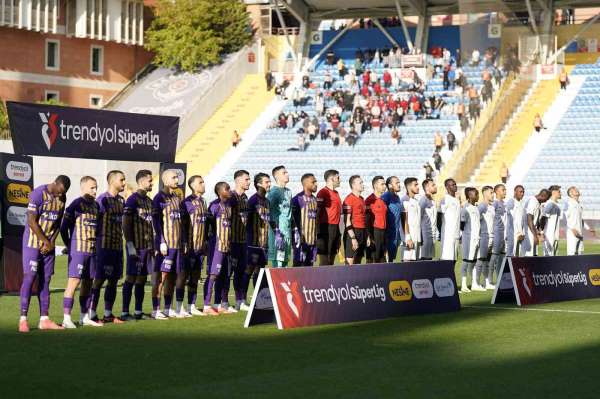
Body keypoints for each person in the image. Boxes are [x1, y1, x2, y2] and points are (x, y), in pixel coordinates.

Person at [19, 175, 70, 333]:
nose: (60, 195)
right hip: (33, 243)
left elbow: (58, 223)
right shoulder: (37, 194)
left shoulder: (62, 198)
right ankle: (23, 319)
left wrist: (52, 242)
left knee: (46, 280)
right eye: (59, 191)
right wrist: (45, 241)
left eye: (63, 193)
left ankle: (44, 319)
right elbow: (31, 221)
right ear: (55, 184)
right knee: (30, 277)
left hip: (48, 246)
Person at [61, 176, 102, 328]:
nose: (95, 190)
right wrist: (69, 245)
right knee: (74, 282)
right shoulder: (76, 204)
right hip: (78, 251)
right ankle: (66, 318)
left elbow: (98, 230)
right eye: (92, 187)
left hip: (92, 251)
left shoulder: (97, 206)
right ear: (83, 188)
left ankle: (84, 317)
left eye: (96, 187)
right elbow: (63, 227)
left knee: (88, 283)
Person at [89, 170, 126, 324]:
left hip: (117, 247)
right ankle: (91, 313)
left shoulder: (121, 201)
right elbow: (95, 224)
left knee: (113, 280)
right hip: (103, 247)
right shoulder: (101, 200)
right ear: (112, 182)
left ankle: (108, 313)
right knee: (98, 280)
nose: (124, 183)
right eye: (121, 180)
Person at [152, 170, 186, 318]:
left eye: (177, 177)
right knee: (162, 277)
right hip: (166, 245)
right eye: (173, 177)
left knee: (172, 277)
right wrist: (161, 241)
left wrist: (183, 240)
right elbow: (156, 221)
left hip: (177, 245)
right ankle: (155, 309)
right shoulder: (159, 198)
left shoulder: (177, 198)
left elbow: (181, 223)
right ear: (165, 181)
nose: (176, 179)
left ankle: (167, 307)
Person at [122, 170, 155, 320]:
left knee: (141, 279)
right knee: (130, 278)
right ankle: (124, 312)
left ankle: (138, 311)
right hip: (135, 246)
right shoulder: (132, 200)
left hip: (147, 246)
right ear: (141, 182)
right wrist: (129, 244)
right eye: (149, 181)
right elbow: (126, 223)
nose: (152, 183)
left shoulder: (149, 201)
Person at [182, 175, 210, 316]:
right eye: (200, 182)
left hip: (200, 246)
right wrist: (185, 242)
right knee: (184, 276)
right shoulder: (187, 202)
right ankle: (179, 307)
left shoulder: (203, 202)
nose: (203, 184)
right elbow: (184, 224)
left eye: (203, 182)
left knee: (195, 276)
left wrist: (205, 241)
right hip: (190, 246)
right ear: (193, 186)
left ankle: (191, 305)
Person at [206, 182, 232, 315]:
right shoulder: (214, 205)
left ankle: (217, 304)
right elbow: (208, 226)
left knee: (224, 275)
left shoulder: (229, 205)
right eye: (227, 188)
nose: (229, 190)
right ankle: (206, 305)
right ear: (219, 191)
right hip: (216, 245)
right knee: (213, 275)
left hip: (227, 246)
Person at [244, 173, 271, 297]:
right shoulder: (253, 200)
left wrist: (276, 232)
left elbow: (269, 220)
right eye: (266, 182)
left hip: (264, 243)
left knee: (260, 271)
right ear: (259, 184)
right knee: (249, 269)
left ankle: (258, 296)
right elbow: (246, 220)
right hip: (253, 242)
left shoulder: (267, 201)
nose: (269, 184)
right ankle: (241, 299)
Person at [229, 170, 250, 312]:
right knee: (230, 272)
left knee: (242, 271)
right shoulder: (231, 197)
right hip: (232, 241)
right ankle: (224, 302)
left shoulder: (245, 198)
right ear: (238, 180)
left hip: (243, 241)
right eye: (246, 179)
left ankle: (240, 300)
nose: (249, 182)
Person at [268, 165, 293, 267]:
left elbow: (289, 212)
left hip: (287, 233)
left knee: (285, 264)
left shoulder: (288, 191)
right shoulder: (274, 193)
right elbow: (268, 214)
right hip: (278, 234)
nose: (287, 174)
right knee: (278, 265)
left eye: (287, 172)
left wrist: (295, 229)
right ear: (277, 177)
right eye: (284, 173)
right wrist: (277, 232)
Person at [291, 174, 319, 266]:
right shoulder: (297, 199)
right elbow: (292, 219)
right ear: (305, 183)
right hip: (301, 242)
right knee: (299, 268)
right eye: (313, 182)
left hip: (312, 241)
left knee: (309, 269)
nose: (316, 184)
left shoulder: (315, 200)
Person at [316, 170, 342, 266]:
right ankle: (321, 280)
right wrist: (318, 232)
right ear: (331, 179)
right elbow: (317, 213)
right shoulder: (323, 192)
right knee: (324, 260)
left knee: (331, 259)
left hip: (335, 228)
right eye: (338, 178)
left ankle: (329, 281)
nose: (340, 180)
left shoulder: (336, 193)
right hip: (325, 228)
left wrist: (338, 233)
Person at [343, 175, 369, 265]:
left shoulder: (362, 199)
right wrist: (353, 238)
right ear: (353, 185)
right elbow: (347, 221)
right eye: (360, 183)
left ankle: (356, 280)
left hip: (362, 232)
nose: (363, 185)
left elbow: (364, 218)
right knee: (350, 263)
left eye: (362, 182)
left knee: (358, 261)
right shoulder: (349, 199)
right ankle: (346, 279)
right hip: (353, 232)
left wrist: (367, 235)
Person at [460, 187, 481, 293]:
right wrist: (466, 236)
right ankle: (463, 284)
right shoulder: (466, 208)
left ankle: (474, 284)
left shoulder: (476, 208)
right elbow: (462, 225)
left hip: (477, 238)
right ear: (469, 195)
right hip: (469, 238)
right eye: (476, 194)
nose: (478, 196)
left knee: (473, 261)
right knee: (466, 261)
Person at [564, 186, 593, 255]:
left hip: (580, 232)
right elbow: (565, 217)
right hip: (572, 233)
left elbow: (580, 219)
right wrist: (572, 229)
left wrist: (588, 228)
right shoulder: (568, 203)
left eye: (577, 189)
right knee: (572, 253)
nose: (577, 190)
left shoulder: (579, 204)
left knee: (580, 253)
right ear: (570, 194)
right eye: (574, 190)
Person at [475, 186, 494, 290]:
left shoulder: (491, 206)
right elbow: (476, 219)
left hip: (491, 236)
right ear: (485, 193)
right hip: (483, 236)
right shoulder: (482, 206)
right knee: (480, 259)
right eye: (491, 192)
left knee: (487, 260)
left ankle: (486, 282)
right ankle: (476, 282)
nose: (493, 194)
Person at [522, 189, 550, 257]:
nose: (546, 201)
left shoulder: (538, 202)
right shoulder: (532, 201)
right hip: (529, 233)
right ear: (543, 196)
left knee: (534, 256)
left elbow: (535, 221)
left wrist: (539, 233)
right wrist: (535, 236)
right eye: (546, 199)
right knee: (529, 257)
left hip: (533, 232)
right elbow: (529, 219)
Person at [366, 176, 387, 263]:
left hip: (383, 233)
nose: (384, 186)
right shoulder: (369, 200)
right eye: (382, 184)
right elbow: (367, 220)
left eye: (385, 184)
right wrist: (369, 236)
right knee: (373, 260)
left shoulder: (383, 200)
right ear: (375, 186)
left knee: (382, 260)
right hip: (374, 232)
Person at [381, 176, 404, 263]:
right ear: (390, 185)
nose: (399, 184)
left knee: (391, 260)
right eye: (396, 183)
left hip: (396, 233)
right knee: (386, 261)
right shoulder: (385, 196)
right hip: (388, 234)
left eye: (399, 182)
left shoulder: (397, 197)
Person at [489, 184, 508, 285]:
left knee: (501, 256)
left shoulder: (504, 203)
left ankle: (500, 278)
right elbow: (491, 218)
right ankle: (489, 279)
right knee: (494, 256)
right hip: (497, 233)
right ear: (496, 192)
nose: (505, 192)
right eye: (503, 190)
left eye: (505, 190)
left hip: (503, 234)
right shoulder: (495, 203)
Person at [440, 179, 461, 261]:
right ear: (447, 187)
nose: (455, 186)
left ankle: (451, 274)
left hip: (456, 234)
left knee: (454, 259)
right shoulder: (445, 199)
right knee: (447, 259)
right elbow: (440, 215)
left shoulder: (456, 200)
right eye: (453, 184)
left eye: (455, 184)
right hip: (448, 235)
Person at [402, 177, 421, 261]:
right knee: (407, 266)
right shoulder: (404, 200)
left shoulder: (416, 201)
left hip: (417, 238)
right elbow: (404, 221)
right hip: (410, 239)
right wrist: (408, 238)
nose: (418, 187)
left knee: (416, 267)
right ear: (409, 187)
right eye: (415, 185)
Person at [541, 185, 562, 256]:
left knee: (554, 258)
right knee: (548, 259)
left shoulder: (556, 204)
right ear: (554, 192)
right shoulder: (550, 204)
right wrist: (541, 233)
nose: (561, 193)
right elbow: (543, 218)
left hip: (555, 236)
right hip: (549, 235)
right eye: (559, 191)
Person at [419, 179, 438, 260]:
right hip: (425, 236)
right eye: (433, 185)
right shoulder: (423, 201)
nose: (435, 186)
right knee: (423, 262)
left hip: (431, 235)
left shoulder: (432, 201)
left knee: (429, 261)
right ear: (427, 187)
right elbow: (418, 218)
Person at [506, 185, 526, 257]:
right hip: (514, 233)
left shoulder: (521, 203)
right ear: (515, 192)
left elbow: (521, 220)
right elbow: (511, 219)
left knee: (518, 255)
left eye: (523, 192)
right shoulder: (511, 202)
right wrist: (517, 232)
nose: (522, 193)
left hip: (520, 233)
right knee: (511, 255)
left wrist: (522, 232)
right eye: (520, 192)